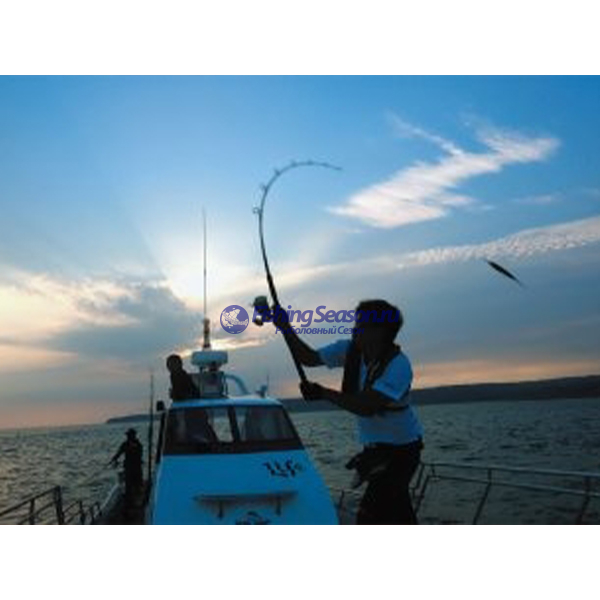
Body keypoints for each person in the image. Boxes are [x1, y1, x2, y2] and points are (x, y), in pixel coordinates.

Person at [272, 299, 423, 524]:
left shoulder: (399, 366)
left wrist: (322, 393)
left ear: (379, 331)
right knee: (398, 513)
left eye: (360, 324)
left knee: (370, 516)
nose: (354, 329)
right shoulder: (350, 350)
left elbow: (366, 407)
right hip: (375, 451)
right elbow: (308, 358)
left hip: (402, 452)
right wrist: (285, 327)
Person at [109, 428, 143, 506]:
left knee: (137, 484)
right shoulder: (125, 444)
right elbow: (119, 453)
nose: (128, 437)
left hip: (136, 468)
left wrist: (132, 448)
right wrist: (114, 459)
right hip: (128, 468)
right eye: (127, 435)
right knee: (128, 485)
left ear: (133, 436)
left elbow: (139, 455)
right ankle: (129, 502)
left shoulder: (138, 445)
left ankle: (138, 500)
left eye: (129, 435)